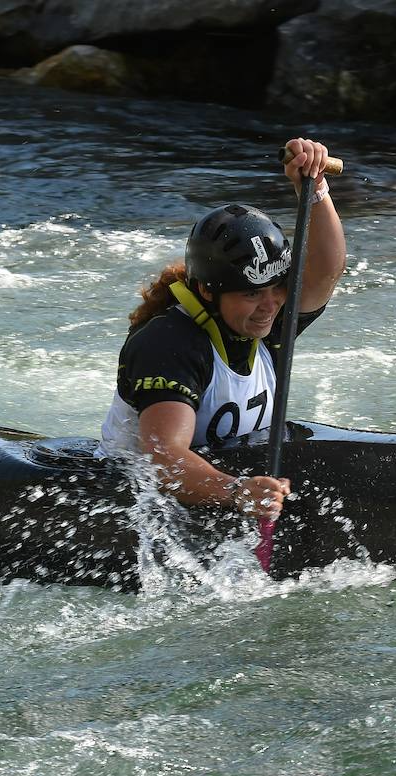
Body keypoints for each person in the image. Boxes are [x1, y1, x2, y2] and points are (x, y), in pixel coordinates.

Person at [99, 138, 345, 520]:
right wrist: (238, 493)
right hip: (137, 503)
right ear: (206, 291)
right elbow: (164, 460)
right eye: (251, 293)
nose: (270, 305)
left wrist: (312, 189)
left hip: (227, 485)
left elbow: (325, 271)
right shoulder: (169, 343)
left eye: (277, 288)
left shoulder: (263, 321)